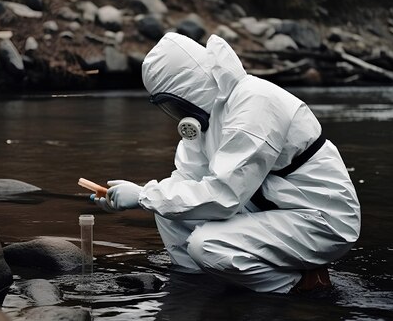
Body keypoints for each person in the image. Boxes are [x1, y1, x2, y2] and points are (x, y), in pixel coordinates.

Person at [93, 32, 361, 293]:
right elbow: (186, 181)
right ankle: (201, 284)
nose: (173, 114)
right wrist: (136, 197)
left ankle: (298, 284)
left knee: (207, 246)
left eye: (172, 103)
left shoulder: (254, 103)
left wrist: (142, 196)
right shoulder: (205, 119)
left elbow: (223, 197)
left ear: (191, 86)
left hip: (320, 218)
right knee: (166, 212)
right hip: (273, 207)